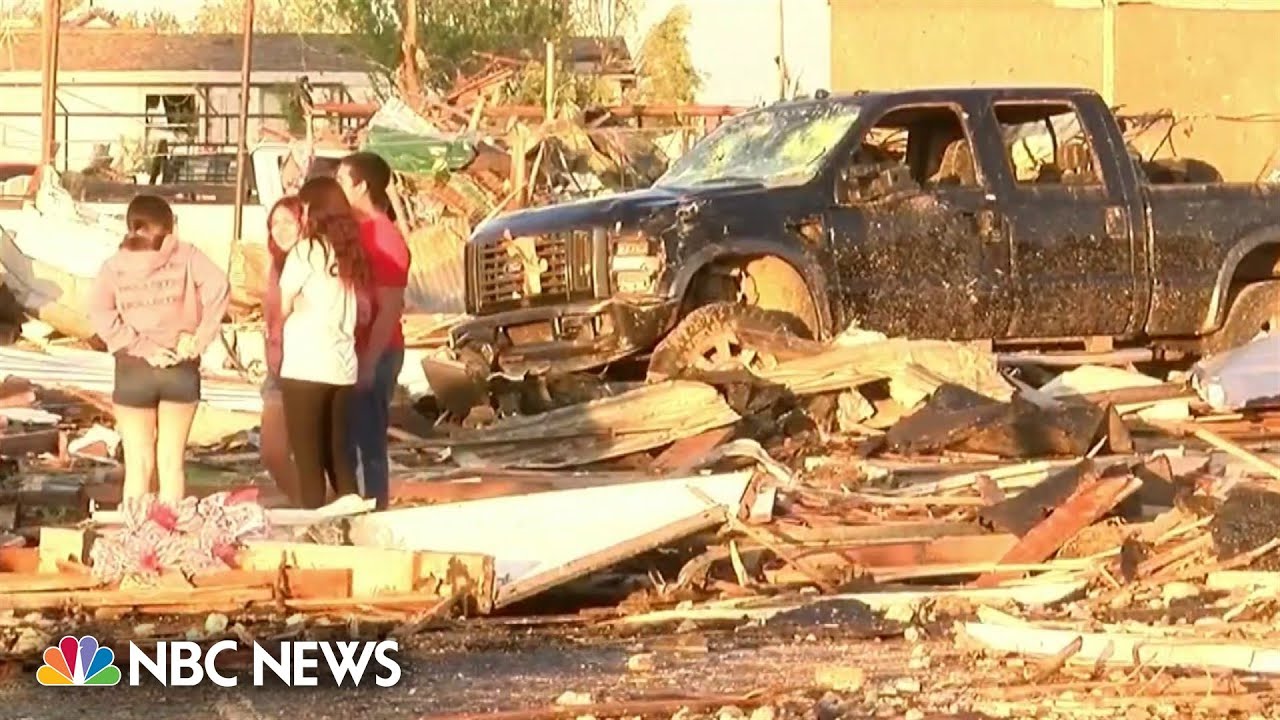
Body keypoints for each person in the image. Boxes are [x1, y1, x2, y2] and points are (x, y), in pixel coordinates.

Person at [88, 194, 230, 504]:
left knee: (138, 465)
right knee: (171, 464)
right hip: (180, 364)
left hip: (134, 368)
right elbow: (219, 286)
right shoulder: (188, 255)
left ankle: (136, 540)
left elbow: (99, 311)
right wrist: (199, 338)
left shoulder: (113, 267)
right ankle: (168, 539)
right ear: (170, 226)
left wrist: (140, 345)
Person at [277, 176, 368, 509]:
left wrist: (294, 305)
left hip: (305, 364)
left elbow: (284, 304)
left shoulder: (306, 250)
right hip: (342, 365)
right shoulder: (350, 252)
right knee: (339, 454)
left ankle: (314, 522)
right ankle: (353, 515)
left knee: (308, 458)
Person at [335, 152, 410, 510]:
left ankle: (375, 511)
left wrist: (368, 361)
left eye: (341, 181)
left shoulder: (385, 237)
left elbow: (390, 307)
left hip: (376, 351)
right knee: (346, 441)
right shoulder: (350, 230)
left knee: (367, 442)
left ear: (361, 186)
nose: (336, 188)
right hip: (349, 349)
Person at [260, 196, 304, 505]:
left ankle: (318, 508)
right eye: (275, 222)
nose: (281, 229)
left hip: (310, 368)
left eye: (289, 221)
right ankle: (306, 503)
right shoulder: (276, 265)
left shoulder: (314, 262)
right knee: (272, 452)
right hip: (278, 369)